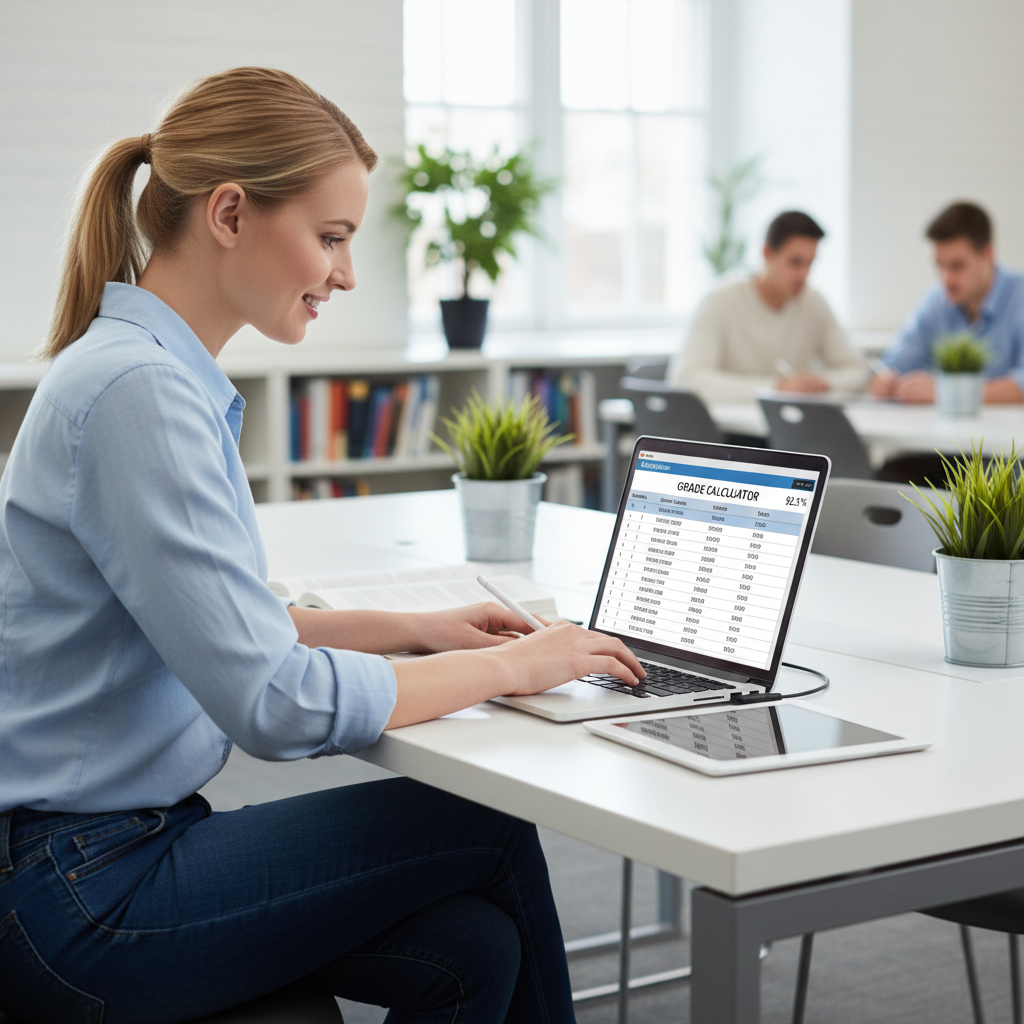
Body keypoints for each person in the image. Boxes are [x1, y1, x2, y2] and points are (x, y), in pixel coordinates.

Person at [0, 68, 644, 1024]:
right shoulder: (138, 394)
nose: (345, 273)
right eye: (332, 237)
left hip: (105, 855)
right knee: (491, 829)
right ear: (228, 214)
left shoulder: (145, 374)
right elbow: (271, 701)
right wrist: (515, 666)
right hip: (82, 894)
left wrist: (412, 629)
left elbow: (222, 622)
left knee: (473, 948)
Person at [667, 211, 866, 402]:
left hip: (791, 429)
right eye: (795, 263)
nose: (804, 274)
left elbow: (857, 371)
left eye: (810, 263)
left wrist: (820, 383)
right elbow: (687, 379)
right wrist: (776, 388)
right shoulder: (719, 300)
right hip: (731, 433)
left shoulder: (813, 302)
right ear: (767, 253)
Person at [870, 201, 1024, 404]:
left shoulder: (1018, 297)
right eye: (940, 266)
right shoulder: (936, 300)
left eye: (957, 266)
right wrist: (885, 381)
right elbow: (893, 365)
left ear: (987, 255)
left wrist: (947, 392)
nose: (946, 279)